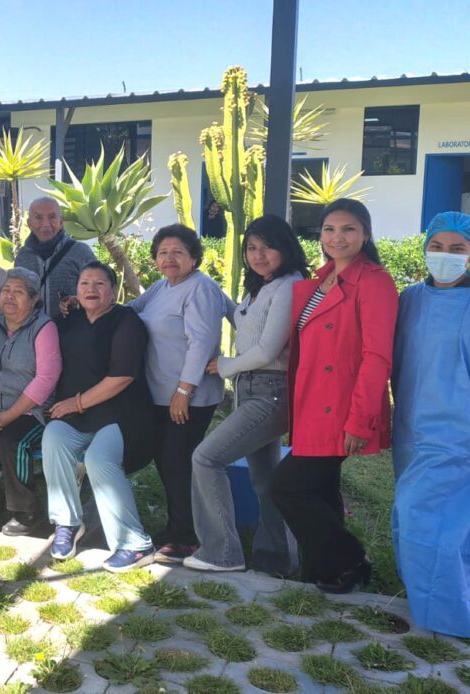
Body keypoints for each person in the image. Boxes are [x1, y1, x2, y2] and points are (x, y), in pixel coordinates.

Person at [391, 211, 470, 637]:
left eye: (457, 248)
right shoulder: (410, 299)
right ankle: (434, 599)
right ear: (425, 247)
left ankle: (466, 613)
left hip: (466, 436)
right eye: (437, 246)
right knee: (425, 521)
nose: (445, 255)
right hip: (413, 434)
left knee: (448, 527)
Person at [270, 198, 397, 594]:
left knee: (287, 486)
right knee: (320, 489)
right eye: (329, 229)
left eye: (348, 229)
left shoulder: (374, 281)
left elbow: (377, 356)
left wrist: (360, 419)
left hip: (340, 406)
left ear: (365, 234)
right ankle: (322, 571)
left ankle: (350, 559)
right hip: (310, 401)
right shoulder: (321, 278)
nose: (337, 237)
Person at [185, 215, 307, 575]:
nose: (258, 255)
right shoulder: (261, 287)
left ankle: (222, 553)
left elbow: (268, 349)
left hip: (271, 391)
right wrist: (205, 289)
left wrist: (225, 365)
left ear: (285, 247)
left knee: (206, 458)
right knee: (265, 480)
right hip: (251, 389)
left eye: (267, 247)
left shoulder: (289, 285)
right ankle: (277, 560)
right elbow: (243, 320)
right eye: (252, 248)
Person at [129, 224, 231, 565]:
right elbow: (130, 309)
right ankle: (176, 528)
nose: (169, 258)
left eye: (178, 252)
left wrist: (184, 391)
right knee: (167, 461)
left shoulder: (200, 288)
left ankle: (187, 538)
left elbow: (202, 342)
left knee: (178, 462)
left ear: (193, 257)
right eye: (163, 253)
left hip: (189, 396)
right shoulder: (161, 287)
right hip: (161, 392)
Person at [43, 261, 155, 572]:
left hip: (122, 413)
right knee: (53, 437)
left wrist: (76, 403)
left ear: (113, 289)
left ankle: (135, 544)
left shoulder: (126, 322)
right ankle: (67, 523)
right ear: (76, 291)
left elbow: (122, 377)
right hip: (77, 414)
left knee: (98, 459)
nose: (91, 289)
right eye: (84, 284)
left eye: (99, 283)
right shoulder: (69, 321)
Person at [0, 268, 59, 535]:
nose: (9, 296)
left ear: (33, 299)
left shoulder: (43, 327)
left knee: (12, 443)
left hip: (31, 412)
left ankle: (27, 512)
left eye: (18, 292)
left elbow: (46, 378)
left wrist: (8, 416)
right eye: (6, 290)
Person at [14, 197, 96, 319]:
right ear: (29, 223)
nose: (46, 224)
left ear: (61, 222)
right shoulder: (23, 256)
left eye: (52, 217)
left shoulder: (80, 252)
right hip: (32, 330)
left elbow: (100, 291)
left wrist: (77, 301)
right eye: (38, 217)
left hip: (71, 329)